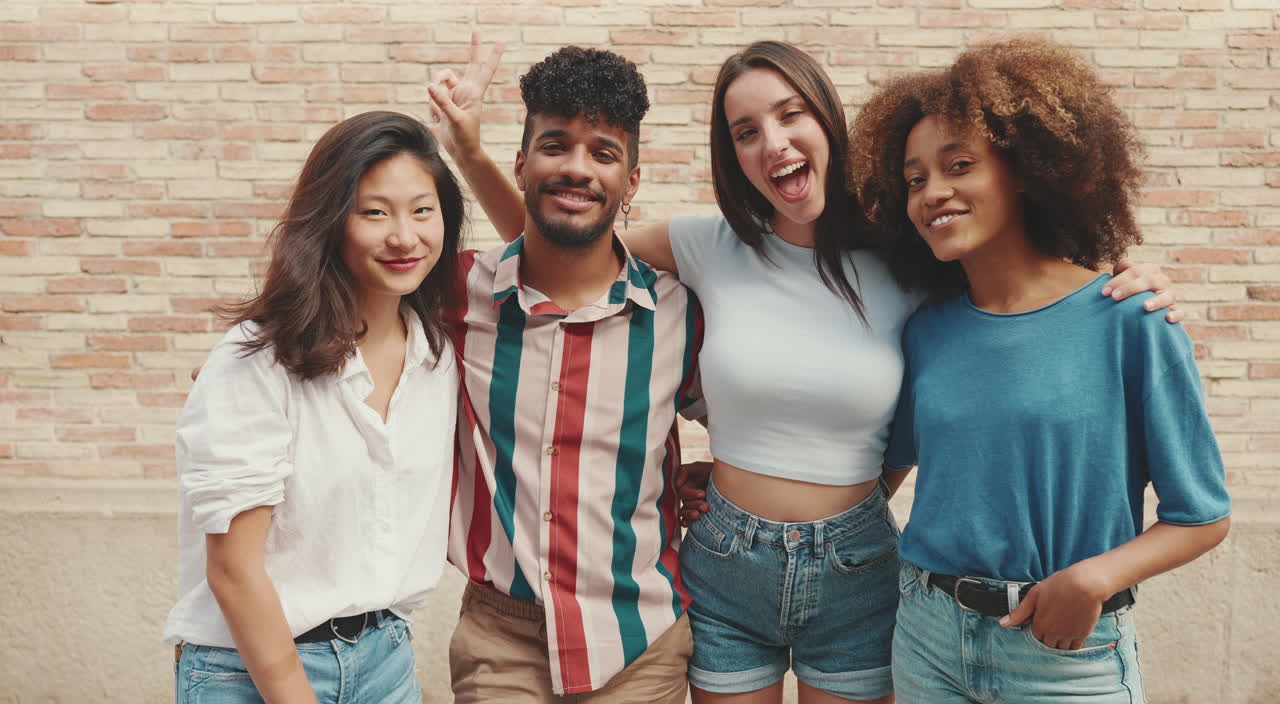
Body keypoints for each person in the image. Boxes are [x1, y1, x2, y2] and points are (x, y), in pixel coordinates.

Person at [431, 37, 1182, 704]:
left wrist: (1115, 278)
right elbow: (566, 248)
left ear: (829, 121)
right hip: (726, 560)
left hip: (859, 566)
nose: (774, 143)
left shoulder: (908, 257)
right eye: (746, 131)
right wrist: (470, 153)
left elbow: (1018, 289)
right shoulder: (706, 243)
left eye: (792, 115)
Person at [849, 38, 1231, 703]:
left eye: (959, 165)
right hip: (926, 639)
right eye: (914, 179)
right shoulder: (928, 331)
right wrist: (748, 491)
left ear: (1025, 169)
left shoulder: (1129, 320)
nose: (932, 192)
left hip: (1066, 656)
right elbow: (881, 471)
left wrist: (1094, 579)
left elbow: (1202, 516)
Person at [431, 45, 705, 702]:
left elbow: (758, 417)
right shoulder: (456, 293)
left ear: (631, 180)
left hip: (640, 643)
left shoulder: (680, 312)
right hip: (500, 639)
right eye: (556, 146)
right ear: (521, 164)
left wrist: (723, 482)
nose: (577, 169)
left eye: (604, 153)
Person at [164, 111, 465, 703]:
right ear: (330, 222)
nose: (404, 236)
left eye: (422, 210)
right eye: (374, 212)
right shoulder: (257, 362)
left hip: (385, 661)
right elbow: (233, 569)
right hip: (248, 670)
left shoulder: (440, 356)